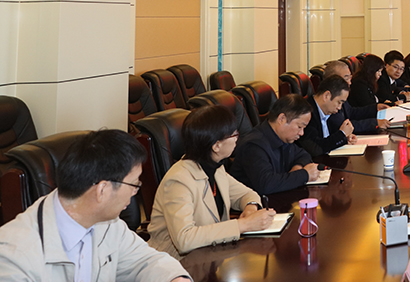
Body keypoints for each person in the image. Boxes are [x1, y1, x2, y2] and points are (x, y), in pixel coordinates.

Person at [0, 129, 189, 281]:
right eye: (134, 185)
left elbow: (145, 261)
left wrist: (176, 278)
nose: (135, 193)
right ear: (102, 190)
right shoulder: (14, 255)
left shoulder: (107, 224)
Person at [148, 106, 275, 257]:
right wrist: (244, 225)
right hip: (177, 263)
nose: (237, 138)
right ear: (216, 146)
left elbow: (246, 194)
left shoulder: (215, 167)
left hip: (212, 255)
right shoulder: (178, 180)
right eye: (234, 134)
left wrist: (251, 208)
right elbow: (184, 240)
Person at [230, 94, 319, 195]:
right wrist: (304, 175)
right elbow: (266, 184)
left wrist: (297, 168)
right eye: (299, 127)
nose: (301, 133)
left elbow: (303, 155)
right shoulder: (253, 145)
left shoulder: (283, 137)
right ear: (282, 119)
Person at [297, 75, 381, 157]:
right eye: (339, 102)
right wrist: (342, 134)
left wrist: (345, 138)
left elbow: (328, 139)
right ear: (326, 96)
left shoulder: (327, 110)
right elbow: (315, 148)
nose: (339, 107)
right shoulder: (306, 113)